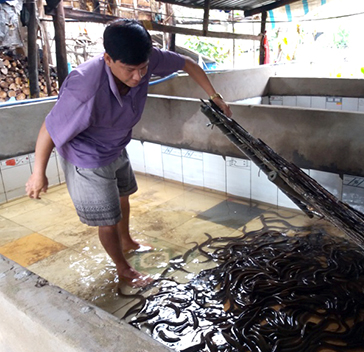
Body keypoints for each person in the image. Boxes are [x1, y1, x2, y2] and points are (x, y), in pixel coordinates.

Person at [25, 19, 232, 287]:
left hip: (116, 143)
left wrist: (215, 95)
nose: (138, 76)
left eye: (144, 68)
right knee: (108, 220)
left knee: (124, 197)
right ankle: (122, 268)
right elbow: (50, 128)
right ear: (108, 58)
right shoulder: (85, 86)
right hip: (87, 155)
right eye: (130, 70)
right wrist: (37, 173)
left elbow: (187, 64)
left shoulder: (143, 57)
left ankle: (128, 241)